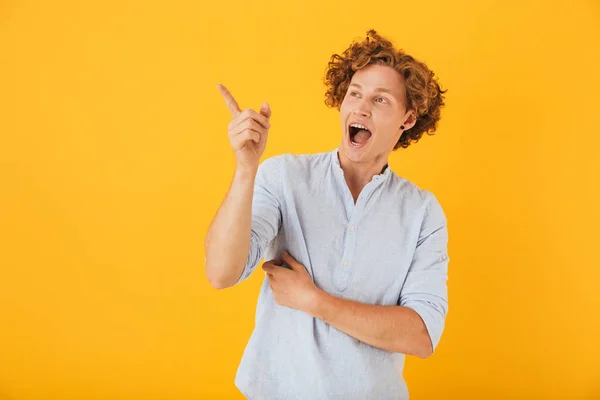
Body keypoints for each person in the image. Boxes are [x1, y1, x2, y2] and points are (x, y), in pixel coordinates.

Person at [205, 29, 450, 400]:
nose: (361, 108)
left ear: (408, 119)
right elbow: (221, 273)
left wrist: (314, 301)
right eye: (354, 93)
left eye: (380, 100)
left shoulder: (422, 212)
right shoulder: (283, 176)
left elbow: (421, 335)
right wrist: (245, 169)